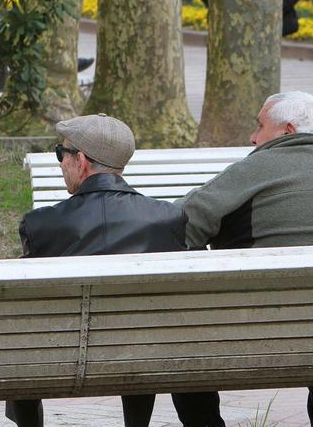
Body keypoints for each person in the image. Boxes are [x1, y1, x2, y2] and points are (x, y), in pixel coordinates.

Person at [178, 91, 313, 427]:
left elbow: (185, 224)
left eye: (259, 126)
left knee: (185, 340)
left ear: (287, 130)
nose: (253, 137)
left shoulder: (258, 165)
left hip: (256, 336)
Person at [13, 114, 225, 427]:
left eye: (62, 153)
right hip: (147, 352)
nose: (60, 162)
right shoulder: (167, 218)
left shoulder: (40, 224)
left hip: (62, 356)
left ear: (81, 161)